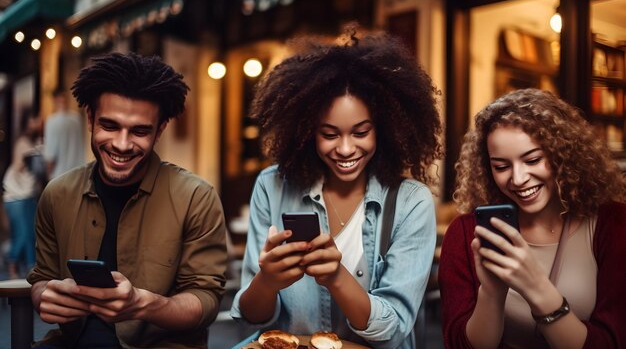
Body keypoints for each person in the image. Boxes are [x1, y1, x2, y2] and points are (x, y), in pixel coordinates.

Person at [230, 26, 443, 349]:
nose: (345, 149)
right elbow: (251, 318)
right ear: (306, 132)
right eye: (329, 134)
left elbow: (395, 329)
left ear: (384, 129)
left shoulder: (411, 202)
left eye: (360, 132)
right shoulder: (272, 185)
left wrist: (337, 278)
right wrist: (267, 281)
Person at [26, 52, 228, 348]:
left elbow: (206, 301)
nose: (121, 144)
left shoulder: (196, 197)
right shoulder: (57, 194)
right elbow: (41, 278)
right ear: (90, 119)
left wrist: (143, 305)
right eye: (109, 126)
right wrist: (45, 296)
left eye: (140, 131)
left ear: (159, 131)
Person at [439, 88, 626, 348]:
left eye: (533, 159)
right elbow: (459, 344)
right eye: (501, 166)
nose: (518, 179)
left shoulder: (613, 224)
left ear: (563, 154)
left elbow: (612, 342)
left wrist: (536, 286)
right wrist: (492, 292)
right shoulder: (465, 233)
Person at [2, 108, 42, 279]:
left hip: (26, 195)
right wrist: (33, 158)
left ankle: (28, 269)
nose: (40, 123)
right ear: (28, 122)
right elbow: (18, 166)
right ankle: (12, 264)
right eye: (36, 120)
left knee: (30, 234)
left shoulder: (34, 141)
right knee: (23, 233)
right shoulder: (23, 143)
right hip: (16, 195)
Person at [43, 88, 85, 180]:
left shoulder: (51, 121)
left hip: (59, 177)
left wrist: (48, 175)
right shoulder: (77, 119)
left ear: (54, 100)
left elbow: (50, 155)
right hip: (78, 174)